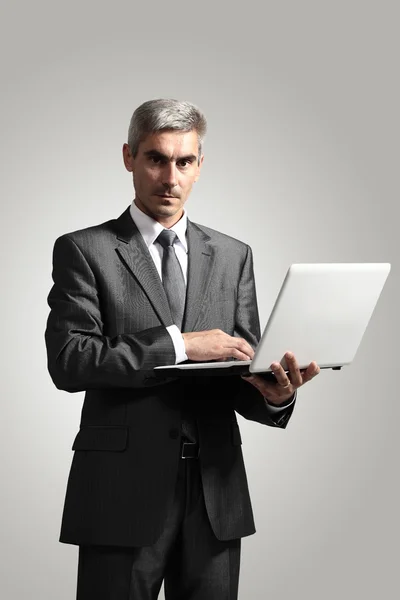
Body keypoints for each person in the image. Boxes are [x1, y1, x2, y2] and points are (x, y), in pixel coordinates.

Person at [45, 98, 320, 600]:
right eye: (155, 158)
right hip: (120, 492)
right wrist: (179, 344)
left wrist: (275, 393)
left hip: (216, 493)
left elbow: (241, 374)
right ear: (128, 157)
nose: (170, 176)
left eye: (184, 161)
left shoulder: (235, 255)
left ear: (200, 165)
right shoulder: (84, 250)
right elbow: (70, 360)